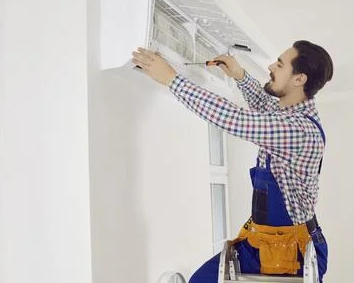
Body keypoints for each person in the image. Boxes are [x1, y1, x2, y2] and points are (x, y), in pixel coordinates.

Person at [132, 40, 333, 283]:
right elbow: (264, 105)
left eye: (279, 65)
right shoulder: (290, 112)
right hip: (265, 240)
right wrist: (240, 76)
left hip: (292, 253)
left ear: (298, 79)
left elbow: (235, 120)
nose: (271, 66)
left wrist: (172, 80)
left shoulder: (299, 131)